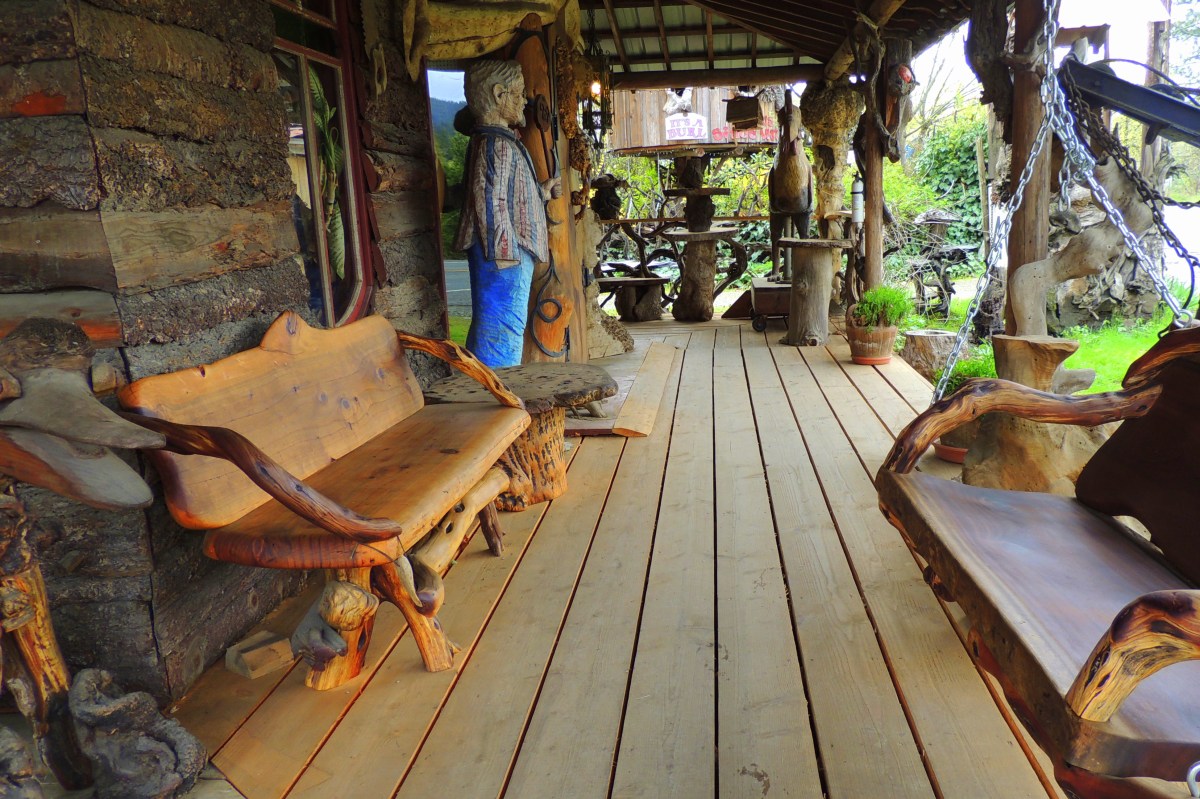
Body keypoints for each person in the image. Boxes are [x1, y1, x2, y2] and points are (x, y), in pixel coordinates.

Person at [454, 59, 558, 367]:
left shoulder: (501, 142)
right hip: (503, 255)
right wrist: (503, 253)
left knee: (504, 326)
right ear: (499, 95)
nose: (525, 100)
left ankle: (493, 386)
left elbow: (509, 197)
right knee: (501, 329)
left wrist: (541, 192)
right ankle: (495, 390)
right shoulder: (494, 144)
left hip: (507, 250)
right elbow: (489, 200)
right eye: (519, 93)